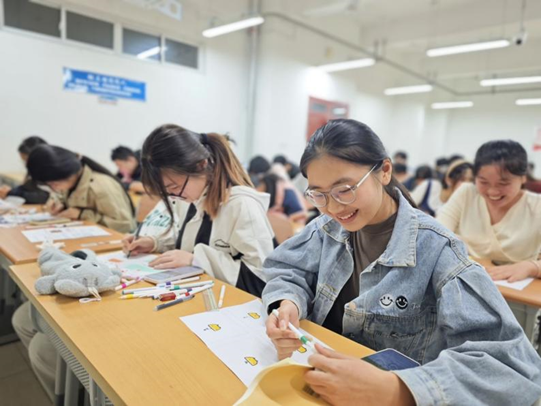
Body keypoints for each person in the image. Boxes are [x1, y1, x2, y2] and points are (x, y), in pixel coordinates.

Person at [261, 119, 541, 405]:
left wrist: (398, 389)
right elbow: (287, 268)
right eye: (319, 195)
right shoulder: (326, 229)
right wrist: (288, 302)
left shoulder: (438, 251)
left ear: (384, 171)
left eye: (344, 189)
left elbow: (515, 368)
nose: (332, 207)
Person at [122, 124, 274, 296]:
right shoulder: (190, 197)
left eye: (174, 187)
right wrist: (155, 243)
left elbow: (260, 278)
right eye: (166, 191)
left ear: (201, 165)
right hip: (199, 293)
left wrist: (195, 260)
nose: (173, 196)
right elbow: (191, 243)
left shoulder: (241, 205)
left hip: (233, 302)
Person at [437, 140, 541, 283]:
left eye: (503, 183)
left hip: (517, 290)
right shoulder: (467, 193)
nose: (492, 192)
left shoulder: (537, 206)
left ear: (523, 178)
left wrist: (531, 267)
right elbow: (436, 235)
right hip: (466, 282)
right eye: (483, 182)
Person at [26, 145, 136, 233]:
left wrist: (82, 214)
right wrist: (56, 204)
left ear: (68, 175)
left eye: (53, 184)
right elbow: (59, 197)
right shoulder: (70, 182)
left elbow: (125, 225)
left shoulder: (101, 186)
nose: (53, 188)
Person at [0, 136, 50, 204]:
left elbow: (43, 197)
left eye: (27, 160)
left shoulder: (49, 171)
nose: (26, 164)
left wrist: (10, 192)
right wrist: (9, 191)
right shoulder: (33, 169)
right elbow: (25, 187)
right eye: (24, 161)